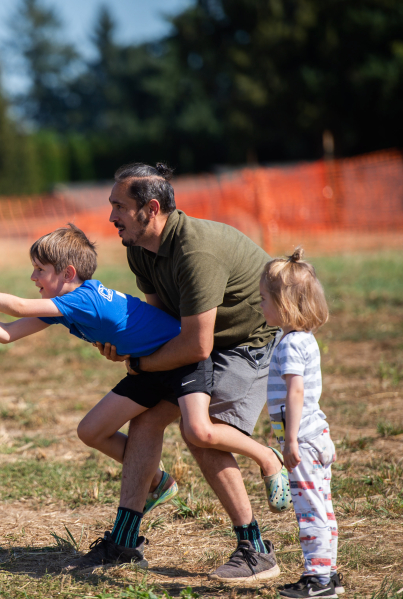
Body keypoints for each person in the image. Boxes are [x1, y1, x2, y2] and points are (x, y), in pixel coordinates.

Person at [0, 224, 211, 565]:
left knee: (197, 433)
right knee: (90, 431)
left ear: (68, 273)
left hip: (181, 364)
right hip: (149, 369)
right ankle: (159, 481)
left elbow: (16, 308)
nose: (33, 277)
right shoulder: (65, 303)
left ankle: (250, 464)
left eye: (40, 270)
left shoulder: (83, 299)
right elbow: (6, 333)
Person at [86, 162, 285, 582]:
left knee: (203, 432)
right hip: (198, 337)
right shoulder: (140, 247)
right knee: (146, 416)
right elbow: (160, 319)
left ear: (151, 208)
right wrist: (125, 346)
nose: (111, 217)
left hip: (248, 342)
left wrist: (139, 364)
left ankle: (257, 550)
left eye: (119, 206)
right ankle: (125, 541)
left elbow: (198, 346)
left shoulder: (196, 251)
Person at [260, 248, 343, 598]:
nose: (260, 304)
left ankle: (318, 579)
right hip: (315, 434)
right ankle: (329, 572)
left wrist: (290, 440)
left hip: (304, 441)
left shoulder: (291, 344)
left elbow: (295, 392)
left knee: (309, 510)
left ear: (284, 304)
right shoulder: (303, 340)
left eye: (264, 298)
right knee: (321, 505)